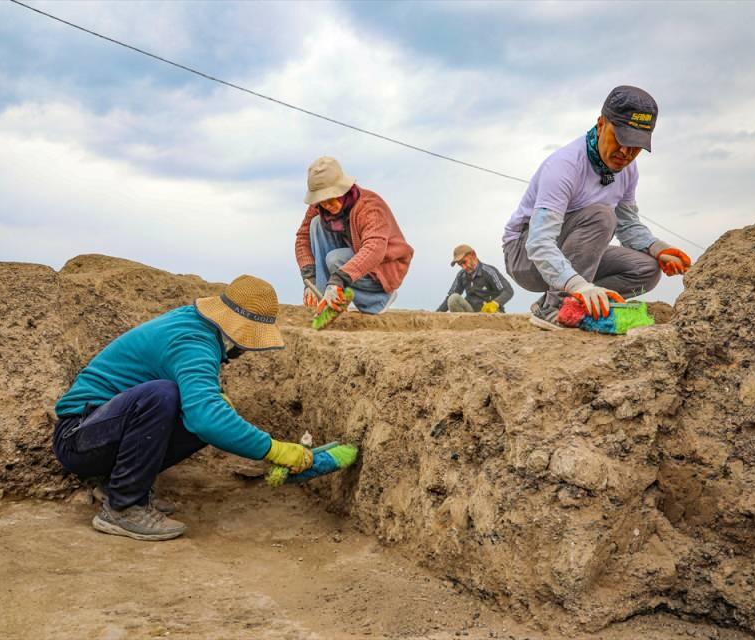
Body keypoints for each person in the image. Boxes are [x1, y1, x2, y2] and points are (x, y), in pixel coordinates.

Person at [52, 275, 312, 541]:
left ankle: (117, 486)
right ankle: (123, 506)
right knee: (167, 396)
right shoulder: (194, 342)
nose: (245, 350)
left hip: (101, 432)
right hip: (77, 436)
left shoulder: (197, 326)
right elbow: (207, 419)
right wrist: (274, 449)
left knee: (204, 409)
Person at [501, 85, 692, 330]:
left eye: (635, 146)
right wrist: (579, 285)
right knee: (602, 216)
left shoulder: (627, 171)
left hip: (571, 254)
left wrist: (658, 249)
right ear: (601, 124)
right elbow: (539, 242)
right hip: (525, 256)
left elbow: (628, 224)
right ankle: (556, 307)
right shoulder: (564, 166)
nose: (625, 152)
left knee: (646, 270)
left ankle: (575, 303)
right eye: (620, 139)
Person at [296, 157, 413, 315]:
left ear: (342, 190)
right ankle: (326, 300)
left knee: (334, 259)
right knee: (316, 224)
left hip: (382, 269)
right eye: (322, 201)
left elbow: (374, 249)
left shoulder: (370, 207)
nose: (327, 205)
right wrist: (310, 280)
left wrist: (338, 279)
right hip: (349, 261)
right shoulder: (319, 207)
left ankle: (378, 300)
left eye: (331, 199)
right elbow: (302, 239)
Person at [436, 244, 514, 313]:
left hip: (490, 313)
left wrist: (495, 303)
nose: (464, 267)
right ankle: (464, 326)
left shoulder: (489, 271)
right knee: (453, 298)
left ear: (473, 254)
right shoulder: (462, 275)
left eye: (464, 262)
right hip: (471, 314)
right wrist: (435, 315)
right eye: (460, 265)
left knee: (491, 312)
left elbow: (508, 291)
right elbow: (450, 296)